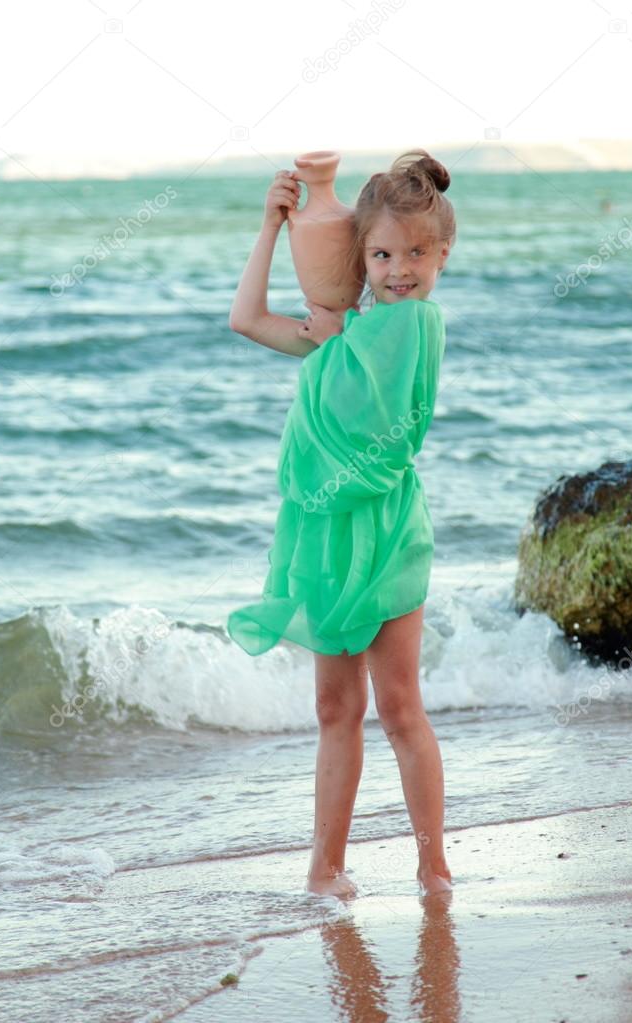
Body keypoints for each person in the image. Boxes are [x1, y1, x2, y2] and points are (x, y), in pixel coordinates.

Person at [226, 149, 456, 899]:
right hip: (324, 537)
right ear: (359, 257)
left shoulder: (418, 325)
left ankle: (433, 866)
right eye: (383, 253)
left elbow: (390, 407)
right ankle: (325, 867)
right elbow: (246, 318)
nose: (400, 269)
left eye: (417, 253)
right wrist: (271, 225)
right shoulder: (340, 333)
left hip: (388, 533)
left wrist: (335, 335)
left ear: (442, 255)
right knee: (336, 707)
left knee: (398, 706)